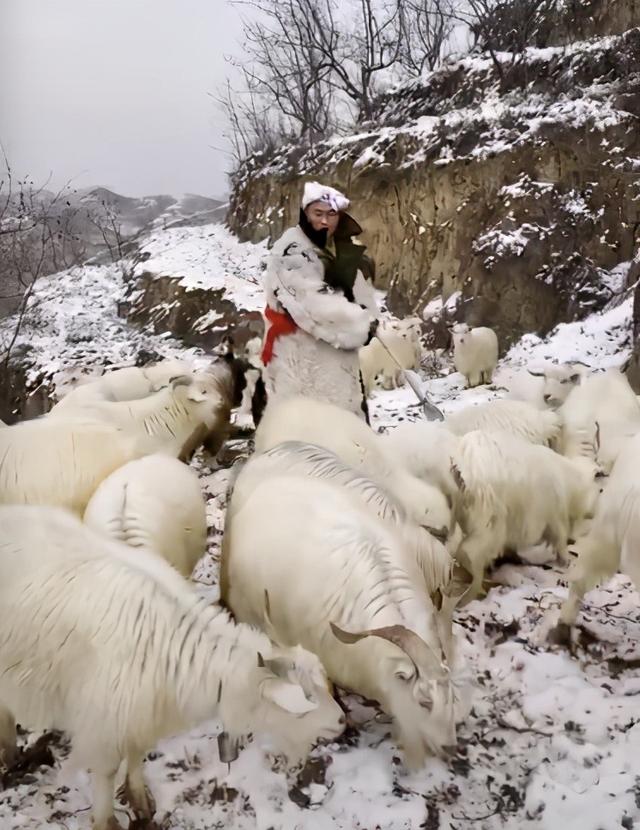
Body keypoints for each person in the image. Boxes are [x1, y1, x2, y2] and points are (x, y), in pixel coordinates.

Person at [261, 181, 379, 422]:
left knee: (347, 428)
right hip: (300, 358)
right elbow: (311, 305)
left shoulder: (341, 249)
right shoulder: (291, 252)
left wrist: (369, 316)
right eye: (318, 213)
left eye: (332, 214)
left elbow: (363, 297)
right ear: (306, 214)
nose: (325, 221)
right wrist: (361, 326)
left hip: (339, 359)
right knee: (310, 431)